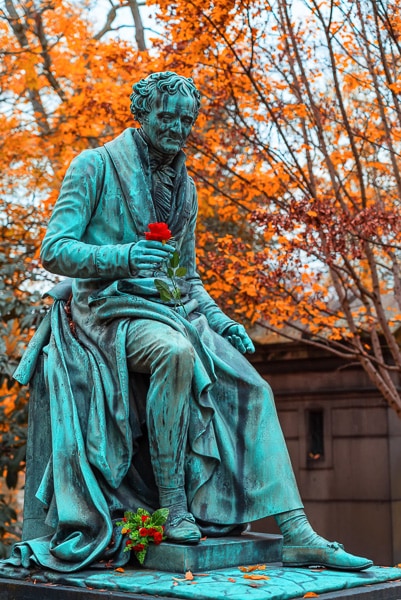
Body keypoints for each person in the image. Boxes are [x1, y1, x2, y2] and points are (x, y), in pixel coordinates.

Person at [10, 72, 372, 573]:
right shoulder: (94, 166)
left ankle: (297, 531)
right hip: (107, 311)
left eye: (187, 119)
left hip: (175, 310)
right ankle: (174, 504)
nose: (179, 127)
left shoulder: (188, 189)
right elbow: (54, 249)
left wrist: (223, 322)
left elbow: (189, 277)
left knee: (253, 387)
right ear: (142, 113)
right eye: (167, 116)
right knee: (174, 354)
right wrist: (125, 256)